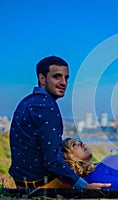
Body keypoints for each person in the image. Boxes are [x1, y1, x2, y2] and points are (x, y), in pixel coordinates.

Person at [9, 55, 110, 189]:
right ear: (42, 78)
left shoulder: (28, 101)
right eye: (57, 76)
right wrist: (85, 187)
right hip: (44, 185)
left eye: (66, 78)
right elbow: (53, 162)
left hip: (22, 183)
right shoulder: (46, 106)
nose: (63, 82)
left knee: (97, 167)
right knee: (102, 175)